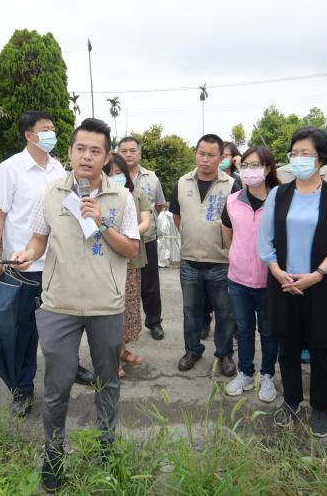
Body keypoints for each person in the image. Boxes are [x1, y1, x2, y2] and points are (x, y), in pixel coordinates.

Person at [10, 118, 140, 492]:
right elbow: (38, 240)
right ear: (69, 152)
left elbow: (131, 249)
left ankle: (106, 449)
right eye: (80, 149)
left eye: (95, 151)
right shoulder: (50, 193)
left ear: (106, 157)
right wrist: (25, 254)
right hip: (59, 305)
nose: (86, 156)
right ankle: (53, 455)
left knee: (107, 382)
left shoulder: (121, 198)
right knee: (57, 383)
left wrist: (102, 224)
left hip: (106, 306)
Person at [0, 111, 93, 418]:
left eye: (54, 130)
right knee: (25, 332)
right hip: (24, 264)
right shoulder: (10, 169)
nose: (52, 134)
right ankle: (23, 389)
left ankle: (71, 368)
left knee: (66, 323)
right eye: (46, 130)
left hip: (58, 263)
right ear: (29, 136)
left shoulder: (59, 168)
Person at [259, 128, 327, 438]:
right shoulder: (279, 193)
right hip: (283, 282)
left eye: (306, 154)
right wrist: (276, 271)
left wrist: (316, 276)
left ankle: (319, 406)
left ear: (322, 159)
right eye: (294, 153)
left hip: (322, 284)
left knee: (320, 348)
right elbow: (265, 240)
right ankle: (291, 401)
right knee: (287, 346)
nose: (298, 159)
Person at [169, 134, 238, 376]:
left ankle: (225, 354)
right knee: (190, 311)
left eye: (211, 155)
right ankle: (192, 350)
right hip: (190, 261)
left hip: (221, 262)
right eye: (201, 154)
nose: (205, 159)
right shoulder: (182, 183)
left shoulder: (232, 185)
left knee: (224, 312)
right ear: (195, 154)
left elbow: (237, 223)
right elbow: (177, 218)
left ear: (221, 158)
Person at [222, 146, 281, 402]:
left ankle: (267, 375)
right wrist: (237, 254)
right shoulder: (233, 200)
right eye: (244, 165)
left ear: (268, 169)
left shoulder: (280, 199)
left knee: (269, 331)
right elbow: (227, 233)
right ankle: (246, 372)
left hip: (270, 280)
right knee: (244, 328)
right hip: (238, 279)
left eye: (255, 165)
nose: (249, 171)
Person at [104, 152, 151, 377]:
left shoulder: (137, 194)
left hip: (131, 261)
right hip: (106, 262)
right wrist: (117, 236)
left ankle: (121, 350)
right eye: (109, 173)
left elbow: (146, 223)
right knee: (109, 311)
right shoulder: (100, 197)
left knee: (128, 309)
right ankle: (110, 357)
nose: (115, 177)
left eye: (118, 172)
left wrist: (126, 234)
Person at [118, 136, 167, 340]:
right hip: (117, 242)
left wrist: (143, 225)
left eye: (132, 150)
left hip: (146, 241)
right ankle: (122, 327)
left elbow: (158, 205)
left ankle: (154, 322)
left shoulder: (152, 178)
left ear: (139, 153)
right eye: (124, 151)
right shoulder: (112, 176)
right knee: (123, 284)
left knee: (149, 285)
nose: (128, 154)